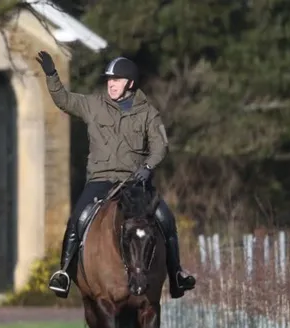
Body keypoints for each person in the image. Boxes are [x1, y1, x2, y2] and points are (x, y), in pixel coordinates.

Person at [35, 51, 196, 299]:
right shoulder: (93, 105)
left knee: (165, 218)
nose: (111, 84)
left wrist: (148, 167)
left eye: (117, 80)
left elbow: (160, 146)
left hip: (135, 182)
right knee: (77, 219)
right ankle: (64, 272)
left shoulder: (148, 113)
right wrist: (52, 75)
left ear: (130, 83)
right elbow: (63, 100)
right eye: (109, 80)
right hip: (100, 180)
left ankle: (176, 275)